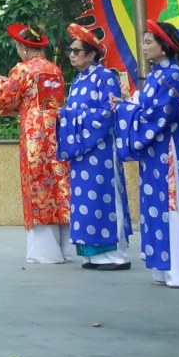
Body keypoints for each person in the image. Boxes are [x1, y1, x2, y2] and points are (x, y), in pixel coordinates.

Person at [121, 19, 179, 287]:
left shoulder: (174, 75)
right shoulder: (158, 74)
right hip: (157, 151)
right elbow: (147, 111)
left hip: (170, 152)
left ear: (164, 47)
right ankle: (164, 267)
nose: (143, 47)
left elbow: (160, 114)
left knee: (172, 205)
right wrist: (126, 105)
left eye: (148, 42)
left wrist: (125, 111)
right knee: (158, 206)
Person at [0, 23, 71, 263]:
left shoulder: (23, 70)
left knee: (37, 186)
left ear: (24, 47)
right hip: (56, 131)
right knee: (58, 185)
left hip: (35, 134)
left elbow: (3, 102)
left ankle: (44, 252)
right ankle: (64, 247)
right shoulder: (54, 69)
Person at [57, 25, 131, 269]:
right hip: (82, 151)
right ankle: (91, 252)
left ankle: (115, 255)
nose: (72, 54)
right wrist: (66, 115)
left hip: (101, 151)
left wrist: (69, 116)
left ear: (92, 55)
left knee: (105, 198)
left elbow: (107, 114)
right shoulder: (78, 81)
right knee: (85, 200)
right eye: (71, 50)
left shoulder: (105, 77)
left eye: (77, 50)